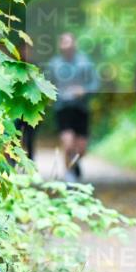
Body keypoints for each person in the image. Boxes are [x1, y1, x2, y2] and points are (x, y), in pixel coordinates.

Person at [44, 32, 98, 182]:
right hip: (63, 108)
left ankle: (76, 163)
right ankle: (69, 177)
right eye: (63, 43)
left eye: (69, 42)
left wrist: (84, 90)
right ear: (60, 46)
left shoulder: (85, 62)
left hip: (81, 109)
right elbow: (46, 85)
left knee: (81, 149)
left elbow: (95, 84)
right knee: (68, 144)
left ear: (74, 44)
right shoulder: (54, 64)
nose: (66, 46)